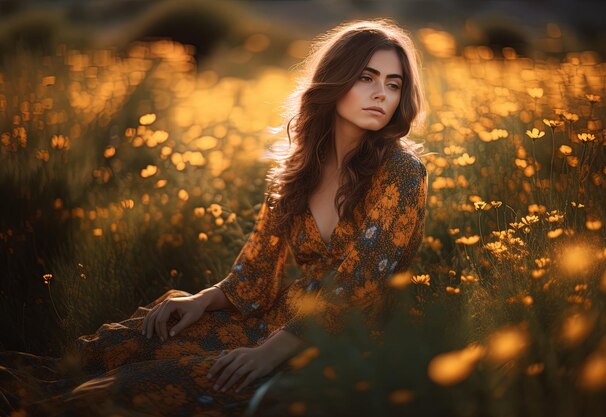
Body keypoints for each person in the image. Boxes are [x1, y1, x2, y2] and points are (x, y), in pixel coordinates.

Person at [0, 17, 429, 416]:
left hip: (339, 345)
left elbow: (354, 289)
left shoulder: (402, 174)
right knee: (116, 346)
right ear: (334, 81)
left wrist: (268, 354)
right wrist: (202, 298)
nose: (381, 95)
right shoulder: (301, 169)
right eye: (366, 78)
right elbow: (255, 274)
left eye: (393, 84)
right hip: (272, 322)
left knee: (126, 388)